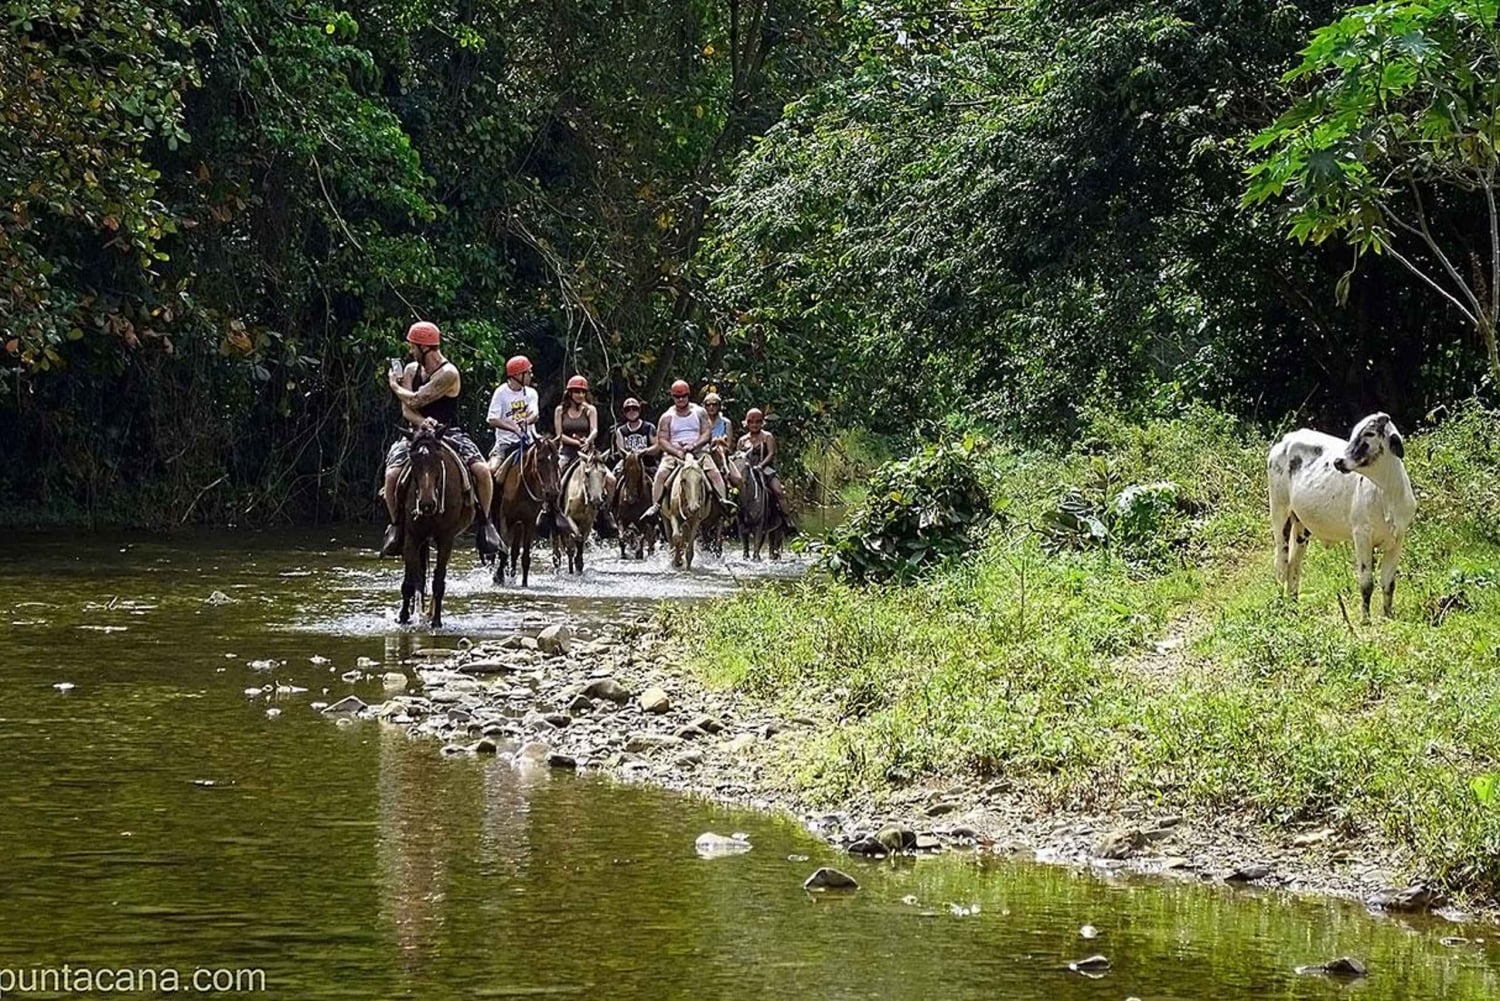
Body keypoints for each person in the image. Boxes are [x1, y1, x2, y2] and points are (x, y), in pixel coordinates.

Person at [381, 320, 499, 557]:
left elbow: (414, 400)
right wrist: (422, 423)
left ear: (425, 348)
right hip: (416, 433)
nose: (411, 351)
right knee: (392, 474)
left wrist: (394, 385)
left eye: (413, 346)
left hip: (448, 431)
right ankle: (395, 526)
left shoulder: (448, 373)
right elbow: (407, 411)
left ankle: (486, 525)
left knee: (483, 471)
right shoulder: (412, 370)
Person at [643, 379, 735, 518]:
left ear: (688, 395)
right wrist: (676, 451)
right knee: (661, 475)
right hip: (674, 453)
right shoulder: (667, 416)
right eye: (677, 396)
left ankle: (723, 501)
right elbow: (662, 439)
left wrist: (694, 445)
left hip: (698, 451)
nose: (680, 399)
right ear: (672, 397)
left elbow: (707, 433)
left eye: (683, 396)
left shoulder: (699, 412)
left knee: (714, 474)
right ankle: (655, 506)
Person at [734, 408, 795, 529]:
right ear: (747, 423)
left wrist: (761, 466)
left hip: (766, 470)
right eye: (751, 422)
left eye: (757, 422)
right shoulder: (742, 440)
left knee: (778, 491)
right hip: (746, 471)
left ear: (762, 423)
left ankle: (787, 518)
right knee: (733, 492)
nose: (754, 425)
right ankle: (732, 517)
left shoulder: (767, 437)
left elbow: (771, 453)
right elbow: (738, 457)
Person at [486, 355, 539, 473]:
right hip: (506, 443)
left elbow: (534, 413)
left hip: (530, 441)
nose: (531, 375)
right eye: (528, 373)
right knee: (492, 470)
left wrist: (527, 420)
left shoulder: (531, 393)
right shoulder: (501, 392)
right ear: (517, 375)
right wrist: (513, 428)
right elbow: (492, 419)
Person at [554, 374, 598, 470]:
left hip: (587, 452)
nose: (581, 395)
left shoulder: (590, 410)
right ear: (570, 393)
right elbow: (559, 435)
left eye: (583, 392)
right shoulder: (560, 411)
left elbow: (594, 430)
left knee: (611, 479)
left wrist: (588, 441)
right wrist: (576, 442)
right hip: (567, 452)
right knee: (556, 474)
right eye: (577, 392)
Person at [702, 391, 735, 481]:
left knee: (738, 479)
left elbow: (729, 445)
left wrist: (720, 442)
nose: (711, 407)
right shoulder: (701, 423)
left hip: (722, 456)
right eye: (708, 405)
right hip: (704, 456)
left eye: (714, 404)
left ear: (719, 406)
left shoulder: (726, 423)